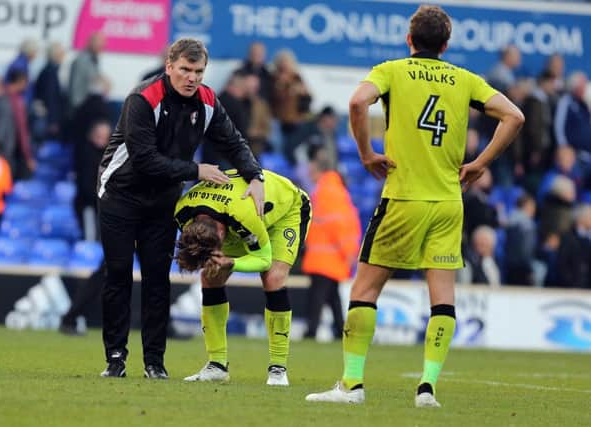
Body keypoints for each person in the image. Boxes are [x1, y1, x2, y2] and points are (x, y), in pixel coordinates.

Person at [305, 5, 524, 407]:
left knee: (365, 288)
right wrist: (480, 164)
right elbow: (514, 116)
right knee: (442, 297)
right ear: (445, 44)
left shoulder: (391, 71)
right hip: (447, 202)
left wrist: (367, 153)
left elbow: (357, 103)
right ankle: (427, 388)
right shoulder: (465, 79)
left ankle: (352, 385)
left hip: (403, 198)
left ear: (410, 40)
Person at [97, 38, 264, 380]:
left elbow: (233, 141)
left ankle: (154, 363)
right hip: (120, 193)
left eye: (198, 71)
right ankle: (115, 359)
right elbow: (143, 160)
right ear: (169, 66)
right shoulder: (142, 100)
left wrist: (255, 176)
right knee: (118, 275)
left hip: (162, 199)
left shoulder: (207, 101)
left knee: (158, 280)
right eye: (185, 70)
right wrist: (196, 171)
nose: (191, 77)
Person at [174, 169, 310, 386]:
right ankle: (217, 365)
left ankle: (278, 369)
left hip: (285, 210)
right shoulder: (182, 211)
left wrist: (232, 262)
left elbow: (263, 259)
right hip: (236, 215)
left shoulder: (244, 215)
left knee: (273, 278)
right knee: (210, 276)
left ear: (220, 235)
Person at [302, 144, 361, 340]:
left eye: (311, 170)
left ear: (318, 170)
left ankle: (312, 331)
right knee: (331, 296)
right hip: (330, 256)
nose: (308, 173)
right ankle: (338, 330)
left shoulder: (327, 192)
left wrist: (348, 254)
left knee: (317, 297)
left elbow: (338, 226)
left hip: (327, 256)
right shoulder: (332, 190)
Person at [69, 32, 105, 109]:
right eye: (100, 44)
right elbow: (90, 80)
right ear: (91, 43)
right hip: (80, 105)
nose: (102, 47)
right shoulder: (83, 59)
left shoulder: (93, 59)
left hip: (85, 103)